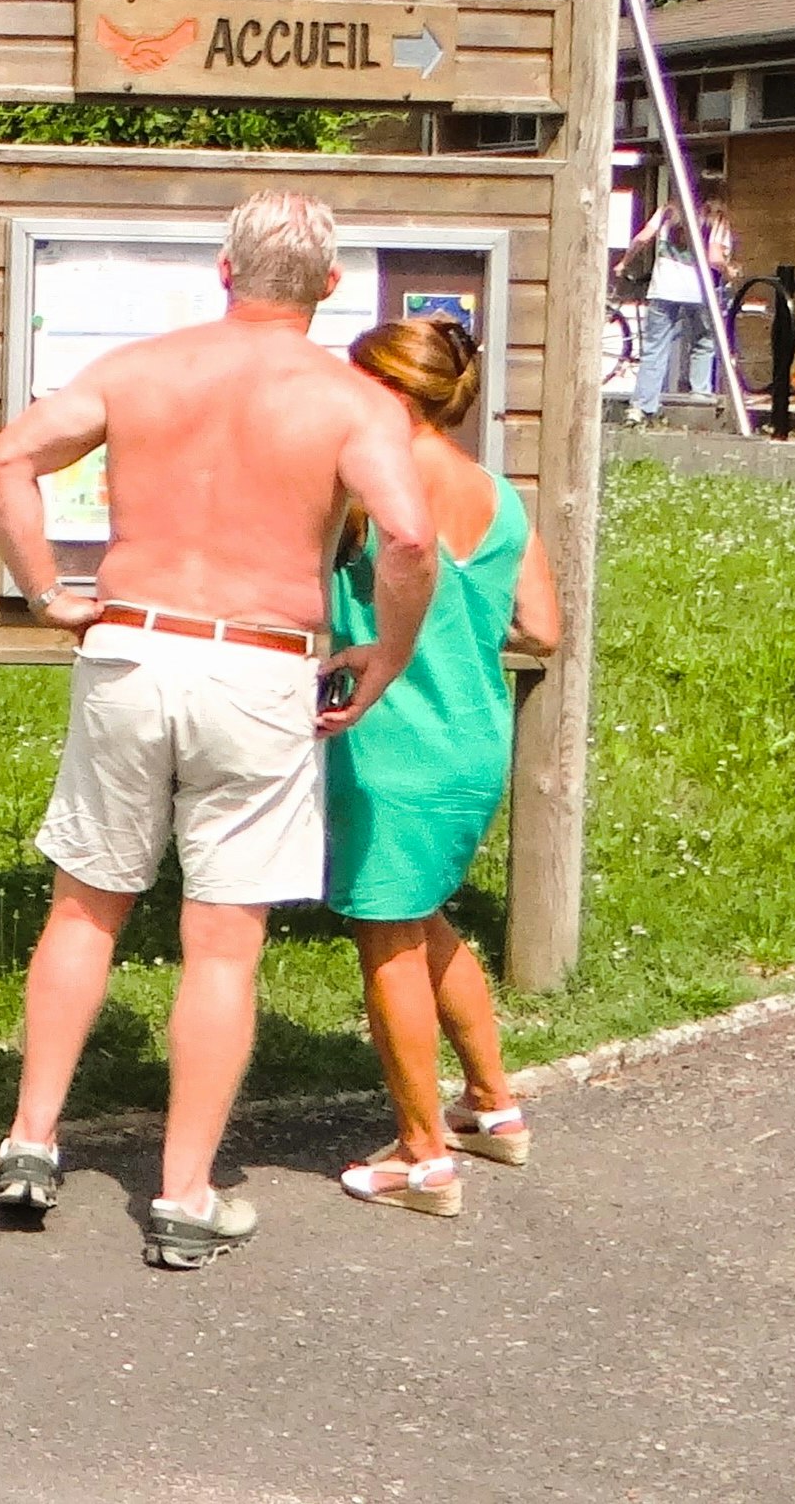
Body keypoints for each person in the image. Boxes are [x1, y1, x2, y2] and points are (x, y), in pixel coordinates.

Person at [0, 189, 438, 1271]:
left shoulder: (143, 370)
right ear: (329, 287)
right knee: (221, 938)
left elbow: (6, 459)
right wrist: (387, 655)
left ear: (224, 275)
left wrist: (47, 589)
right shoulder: (346, 400)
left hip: (132, 644)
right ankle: (185, 1196)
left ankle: (31, 1140)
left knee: (86, 904)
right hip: (260, 660)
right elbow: (409, 535)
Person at [323, 316, 561, 1214]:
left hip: (387, 745)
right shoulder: (496, 492)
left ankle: (420, 1157)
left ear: (385, 391)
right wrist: (455, 628)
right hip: (472, 739)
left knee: (384, 935)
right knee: (424, 920)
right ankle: (493, 1108)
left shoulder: (364, 490)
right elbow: (542, 627)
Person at [629, 190, 733, 423]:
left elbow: (643, 238)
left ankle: (642, 407)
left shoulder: (668, 211)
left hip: (664, 289)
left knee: (655, 348)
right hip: (700, 292)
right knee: (704, 342)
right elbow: (715, 257)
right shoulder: (717, 218)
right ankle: (699, 400)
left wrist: (624, 262)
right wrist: (730, 271)